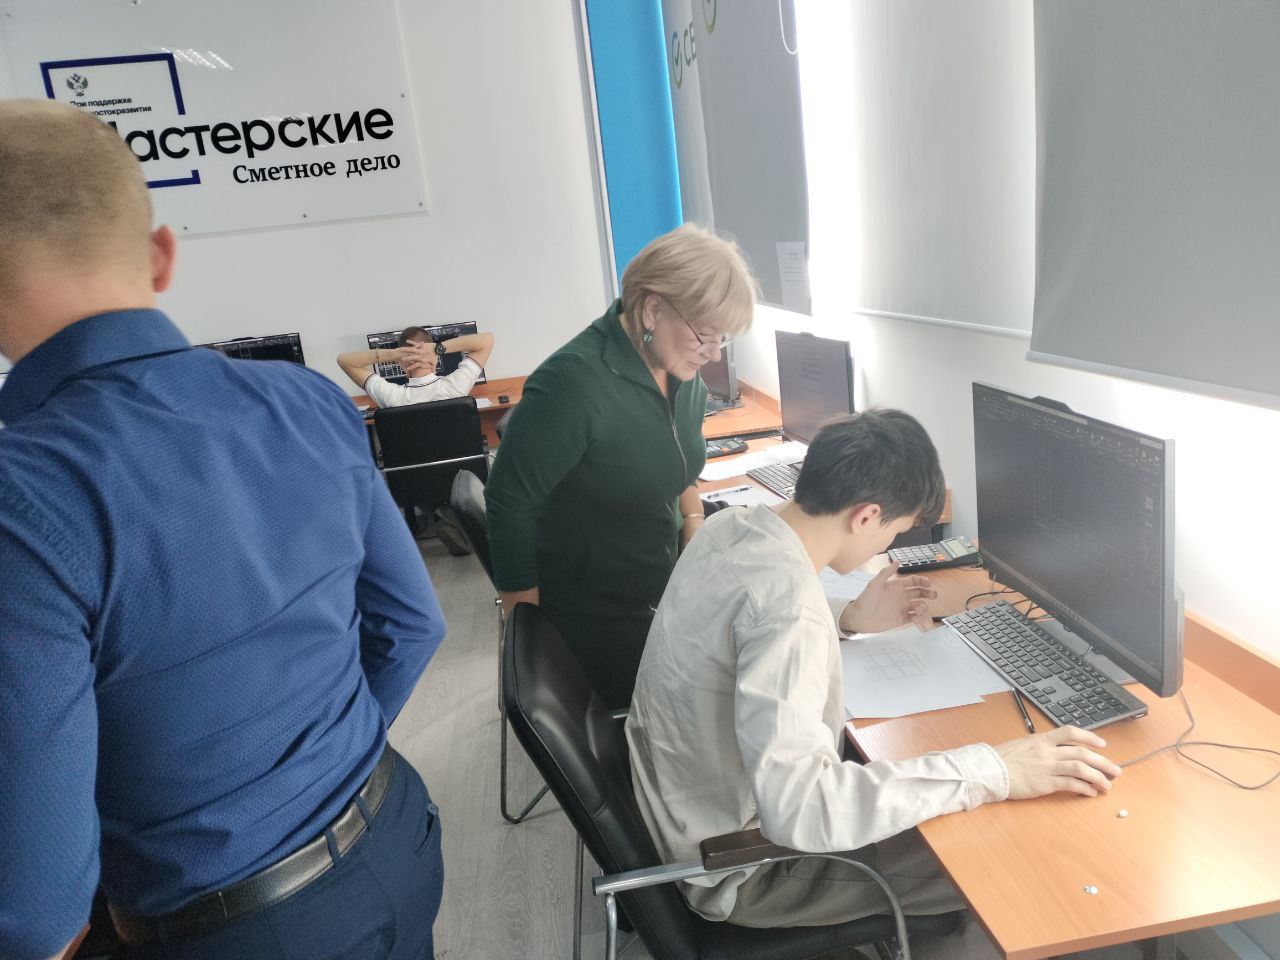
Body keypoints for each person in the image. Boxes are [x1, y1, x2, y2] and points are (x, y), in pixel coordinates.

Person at [0, 100, 446, 960]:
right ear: (162, 255)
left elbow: (37, 909)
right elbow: (414, 626)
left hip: (232, 927)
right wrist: (315, 769)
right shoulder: (309, 400)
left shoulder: (24, 501)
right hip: (395, 836)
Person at [626, 410, 1122, 943]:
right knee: (998, 848)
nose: (885, 547)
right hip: (744, 867)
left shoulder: (730, 527)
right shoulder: (788, 615)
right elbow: (802, 810)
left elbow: (743, 623)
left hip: (680, 807)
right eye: (894, 531)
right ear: (866, 516)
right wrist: (993, 767)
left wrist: (849, 618)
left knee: (952, 798)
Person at [485, 223, 759, 709]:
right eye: (705, 336)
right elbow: (509, 502)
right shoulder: (574, 382)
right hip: (597, 613)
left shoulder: (681, 372)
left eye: (723, 339)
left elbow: (677, 460)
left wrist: (692, 518)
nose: (714, 354)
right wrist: (530, 641)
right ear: (653, 309)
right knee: (737, 694)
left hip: (662, 584)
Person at [337, 325, 495, 408]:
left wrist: (393, 354)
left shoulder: (391, 397)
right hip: (460, 461)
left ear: (402, 365)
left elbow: (344, 361)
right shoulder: (455, 387)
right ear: (435, 360)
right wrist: (438, 348)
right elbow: (487, 340)